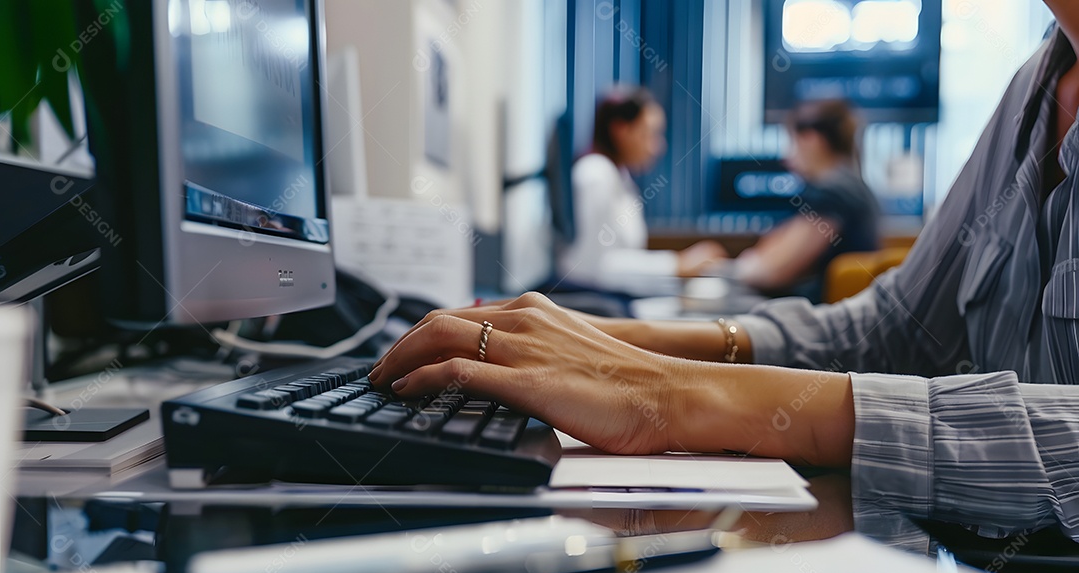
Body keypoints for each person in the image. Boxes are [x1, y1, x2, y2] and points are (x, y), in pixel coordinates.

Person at [371, 3, 1079, 545]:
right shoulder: (1031, 87)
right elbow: (895, 329)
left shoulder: (834, 194)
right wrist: (623, 343)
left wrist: (684, 395)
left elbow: (772, 268)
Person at [557, 87, 726, 289]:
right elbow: (592, 266)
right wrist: (676, 265)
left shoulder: (618, 175)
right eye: (650, 134)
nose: (659, 146)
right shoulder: (595, 175)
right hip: (595, 300)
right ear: (621, 130)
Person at [721, 99, 880, 301]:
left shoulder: (833, 192)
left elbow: (774, 271)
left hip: (822, 319)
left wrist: (738, 268)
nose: (786, 157)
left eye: (791, 142)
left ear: (811, 139)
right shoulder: (849, 185)